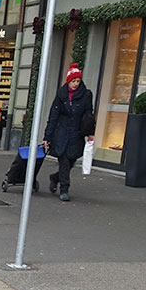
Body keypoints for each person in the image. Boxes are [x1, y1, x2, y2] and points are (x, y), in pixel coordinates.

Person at [43, 63, 95, 203]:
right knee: (64, 161)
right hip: (61, 133)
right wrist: (47, 136)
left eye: (78, 81)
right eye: (73, 81)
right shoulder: (61, 95)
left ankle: (55, 178)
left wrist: (90, 133)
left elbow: (89, 115)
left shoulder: (86, 95)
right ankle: (64, 189)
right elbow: (53, 116)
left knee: (71, 161)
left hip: (76, 133)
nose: (75, 84)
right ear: (68, 81)